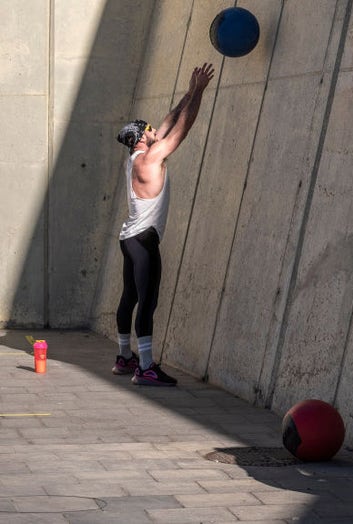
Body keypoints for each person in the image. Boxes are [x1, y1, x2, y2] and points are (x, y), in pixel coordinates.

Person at [112, 63, 214, 386]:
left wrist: (187, 92)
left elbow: (169, 123)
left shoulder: (137, 158)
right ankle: (145, 367)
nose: (157, 129)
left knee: (129, 297)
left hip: (130, 238)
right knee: (147, 300)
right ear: (141, 137)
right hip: (143, 241)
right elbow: (180, 130)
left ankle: (124, 357)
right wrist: (198, 94)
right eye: (150, 129)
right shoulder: (150, 159)